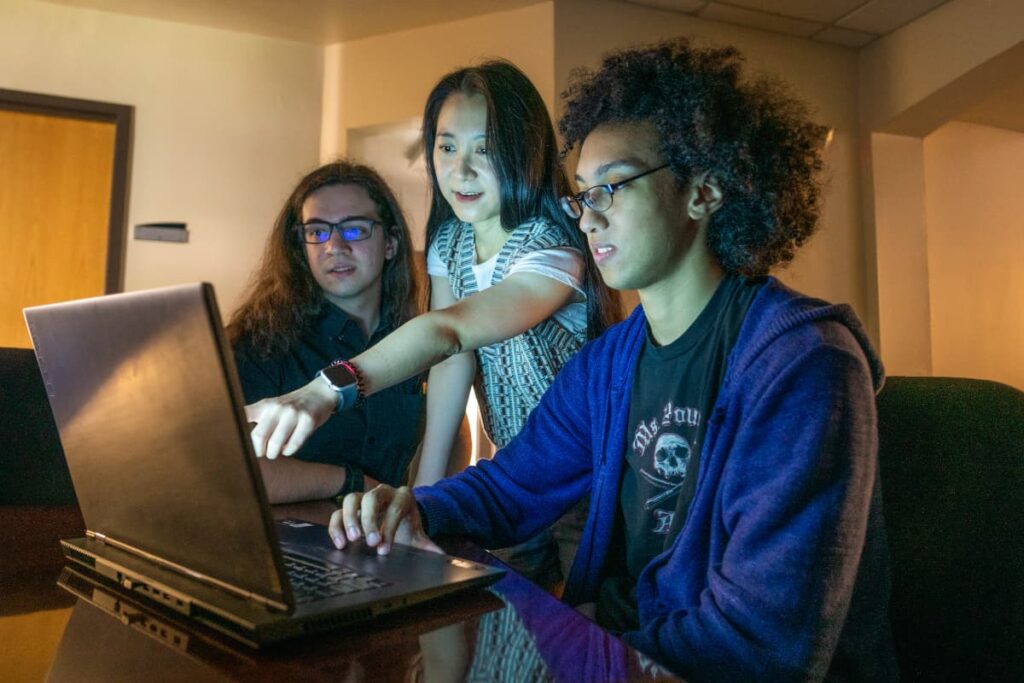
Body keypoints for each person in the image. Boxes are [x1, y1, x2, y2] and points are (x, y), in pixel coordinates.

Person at [328, 38, 898, 681]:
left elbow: (760, 645)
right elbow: (513, 485)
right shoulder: (612, 364)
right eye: (581, 194)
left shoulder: (803, 365)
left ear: (704, 192)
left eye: (613, 187)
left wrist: (577, 647)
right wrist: (416, 509)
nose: (588, 218)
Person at [245, 61, 618, 587]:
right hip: (519, 478)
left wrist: (325, 391)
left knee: (596, 636)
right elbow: (450, 361)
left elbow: (450, 329)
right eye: (446, 147)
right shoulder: (450, 243)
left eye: (483, 149)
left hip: (596, 479)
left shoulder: (554, 244)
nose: (460, 171)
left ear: (526, 149)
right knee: (509, 640)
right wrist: (421, 498)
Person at [228, 161, 425, 503]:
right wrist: (356, 484)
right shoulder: (259, 343)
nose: (334, 246)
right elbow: (232, 469)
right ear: (301, 250)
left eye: (354, 229)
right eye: (317, 232)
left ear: (391, 242)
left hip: (389, 544)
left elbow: (450, 432)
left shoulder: (413, 337)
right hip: (292, 544)